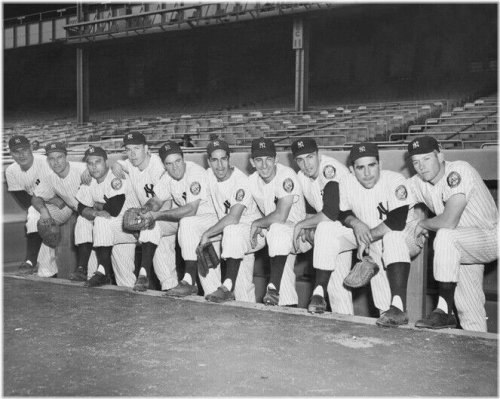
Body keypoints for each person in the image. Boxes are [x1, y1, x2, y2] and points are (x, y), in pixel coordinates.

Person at [407, 136, 498, 332]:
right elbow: (393, 205)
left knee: (445, 235)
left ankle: (444, 310)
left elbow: (449, 221)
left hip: (490, 235)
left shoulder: (458, 170)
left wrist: (422, 223)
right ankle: (476, 360)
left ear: (440, 155)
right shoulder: (417, 182)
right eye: (416, 162)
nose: (421, 166)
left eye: (426, 159)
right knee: (470, 312)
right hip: (461, 245)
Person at [324, 142, 418, 327]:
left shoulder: (395, 180)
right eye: (361, 167)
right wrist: (356, 224)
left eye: (371, 165)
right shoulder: (347, 182)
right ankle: (390, 317)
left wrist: (365, 239)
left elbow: (397, 221)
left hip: (408, 236)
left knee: (391, 238)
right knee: (383, 302)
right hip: (377, 241)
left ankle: (399, 306)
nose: (367, 173)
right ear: (352, 169)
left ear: (380, 165)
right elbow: (342, 212)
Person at [140, 140, 220, 298]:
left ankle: (189, 282)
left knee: (212, 287)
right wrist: (145, 210)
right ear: (164, 165)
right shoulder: (167, 177)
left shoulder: (195, 172)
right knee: (151, 224)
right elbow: (156, 201)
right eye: (169, 164)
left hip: (211, 222)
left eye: (178, 161)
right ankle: (143, 274)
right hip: (188, 225)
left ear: (183, 159)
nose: (175, 167)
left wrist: (158, 215)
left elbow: (191, 210)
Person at [290, 138, 354, 314]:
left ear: (318, 154)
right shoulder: (303, 176)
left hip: (351, 227)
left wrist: (301, 225)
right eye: (300, 160)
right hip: (332, 232)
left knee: (337, 286)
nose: (306, 164)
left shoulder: (329, 169)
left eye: (310, 157)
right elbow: (312, 209)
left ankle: (318, 292)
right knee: (337, 289)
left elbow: (330, 213)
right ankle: (345, 329)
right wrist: (309, 226)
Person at [199, 139, 265, 303]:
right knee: (244, 291)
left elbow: (233, 217)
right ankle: (217, 293)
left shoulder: (241, 181)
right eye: (214, 160)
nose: (219, 165)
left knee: (231, 230)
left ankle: (226, 286)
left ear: (229, 159)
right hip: (232, 238)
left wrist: (207, 234)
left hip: (253, 233)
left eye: (223, 159)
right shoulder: (208, 175)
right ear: (209, 162)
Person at [111, 132, 178, 292]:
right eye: (128, 149)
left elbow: (165, 203)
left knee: (165, 272)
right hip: (149, 215)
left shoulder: (158, 166)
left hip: (168, 217)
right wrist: (116, 164)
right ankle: (130, 286)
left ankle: (145, 275)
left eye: (137, 148)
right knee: (113, 229)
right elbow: (120, 163)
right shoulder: (132, 163)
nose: (132, 153)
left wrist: (145, 217)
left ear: (146, 148)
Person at [248, 137, 309, 307]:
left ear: (276, 159)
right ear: (252, 162)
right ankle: (287, 306)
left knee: (276, 229)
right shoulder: (252, 181)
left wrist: (258, 223)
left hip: (298, 233)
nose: (264, 165)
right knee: (285, 283)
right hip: (276, 237)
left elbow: (282, 215)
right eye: (259, 160)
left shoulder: (286, 175)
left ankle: (272, 287)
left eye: (269, 159)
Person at [30, 142, 97, 279]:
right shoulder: (50, 176)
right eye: (51, 158)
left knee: (84, 227)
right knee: (38, 217)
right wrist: (44, 212)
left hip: (101, 211)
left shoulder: (82, 168)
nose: (56, 162)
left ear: (66, 156)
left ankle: (90, 274)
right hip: (80, 212)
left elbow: (106, 165)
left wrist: (91, 169)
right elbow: (36, 197)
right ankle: (46, 272)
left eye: (59, 157)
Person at [76, 146, 140, 288]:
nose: (94, 167)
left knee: (126, 281)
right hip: (107, 232)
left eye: (98, 162)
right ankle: (85, 268)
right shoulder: (89, 179)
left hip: (129, 228)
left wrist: (96, 206)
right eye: (90, 163)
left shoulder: (115, 176)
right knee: (85, 219)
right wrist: (94, 212)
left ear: (106, 162)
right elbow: (81, 207)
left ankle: (103, 271)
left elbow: (114, 209)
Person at [5, 135, 55, 275]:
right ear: (11, 154)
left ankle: (30, 260)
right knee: (36, 214)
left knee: (35, 212)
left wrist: (41, 202)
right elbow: (24, 202)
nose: (21, 154)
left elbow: (57, 189)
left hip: (59, 204)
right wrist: (40, 202)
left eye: (25, 149)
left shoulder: (45, 162)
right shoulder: (11, 171)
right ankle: (45, 274)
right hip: (40, 208)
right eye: (16, 151)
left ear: (31, 148)